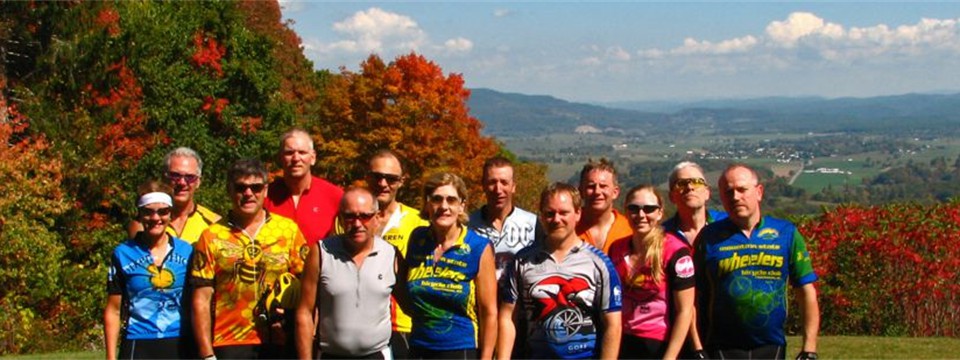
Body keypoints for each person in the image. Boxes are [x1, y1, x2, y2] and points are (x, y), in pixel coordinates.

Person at [694, 164, 819, 360]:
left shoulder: (786, 234)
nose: (735, 197)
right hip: (721, 346)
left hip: (771, 344)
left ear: (759, 192)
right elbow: (693, 296)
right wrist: (697, 347)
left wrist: (809, 348)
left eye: (742, 190)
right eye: (728, 192)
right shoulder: (709, 237)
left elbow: (806, 291)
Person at [191, 159, 308, 359]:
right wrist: (206, 354)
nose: (248, 194)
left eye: (255, 187)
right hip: (229, 341)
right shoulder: (211, 236)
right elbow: (201, 299)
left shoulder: (288, 231)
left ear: (265, 190)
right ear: (229, 190)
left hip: (280, 339)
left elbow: (308, 287)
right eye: (240, 187)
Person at [498, 182, 622, 360]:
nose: (556, 219)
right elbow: (507, 316)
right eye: (550, 213)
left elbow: (613, 325)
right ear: (541, 216)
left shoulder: (599, 263)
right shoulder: (522, 261)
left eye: (563, 213)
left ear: (578, 213)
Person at [296, 186, 409, 359]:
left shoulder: (391, 255)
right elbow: (304, 312)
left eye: (365, 216)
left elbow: (411, 306)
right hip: (330, 355)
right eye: (350, 216)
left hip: (377, 355)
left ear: (377, 218)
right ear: (340, 218)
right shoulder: (321, 252)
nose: (357, 224)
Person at [405, 172, 497, 359]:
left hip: (459, 348)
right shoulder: (417, 239)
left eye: (451, 200)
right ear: (427, 203)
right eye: (436, 199)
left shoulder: (478, 247)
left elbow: (489, 312)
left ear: (462, 205)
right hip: (418, 346)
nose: (444, 206)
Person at [105, 181, 193, 359]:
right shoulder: (123, 254)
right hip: (138, 342)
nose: (155, 218)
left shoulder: (187, 251)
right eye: (148, 211)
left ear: (171, 213)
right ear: (139, 213)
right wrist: (110, 356)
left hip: (180, 342)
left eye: (163, 211)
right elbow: (113, 310)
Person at [607, 185, 695, 359]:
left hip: (659, 344)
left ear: (660, 213)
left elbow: (685, 311)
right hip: (621, 341)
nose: (641, 215)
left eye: (649, 209)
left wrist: (669, 357)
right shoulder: (616, 248)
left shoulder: (676, 252)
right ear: (626, 211)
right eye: (633, 208)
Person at [364, 149, 427, 358]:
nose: (383, 184)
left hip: (403, 326)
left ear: (402, 181)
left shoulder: (419, 223)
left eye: (390, 179)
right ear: (367, 177)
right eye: (377, 176)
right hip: (360, 327)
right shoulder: (347, 220)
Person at [468, 156, 543, 280]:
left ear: (513, 186)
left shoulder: (532, 223)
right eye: (492, 182)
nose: (498, 190)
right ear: (483, 185)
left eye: (504, 182)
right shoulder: (468, 225)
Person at [265, 128, 343, 244]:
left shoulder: (335, 196)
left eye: (302, 152)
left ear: (313, 158)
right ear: (280, 158)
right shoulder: (265, 196)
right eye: (289, 153)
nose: (296, 158)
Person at [127, 147, 221, 243]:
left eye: (190, 177)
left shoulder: (214, 223)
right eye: (175, 176)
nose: (182, 183)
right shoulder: (146, 222)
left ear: (198, 182)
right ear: (164, 178)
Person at [661, 161, 727, 248]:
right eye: (681, 184)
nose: (690, 187)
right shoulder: (661, 235)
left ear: (707, 193)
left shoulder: (728, 224)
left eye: (697, 182)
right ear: (671, 196)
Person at [577, 158, 633, 253]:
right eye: (591, 186)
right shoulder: (569, 226)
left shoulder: (629, 229)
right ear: (581, 191)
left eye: (603, 186)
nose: (597, 192)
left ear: (615, 192)